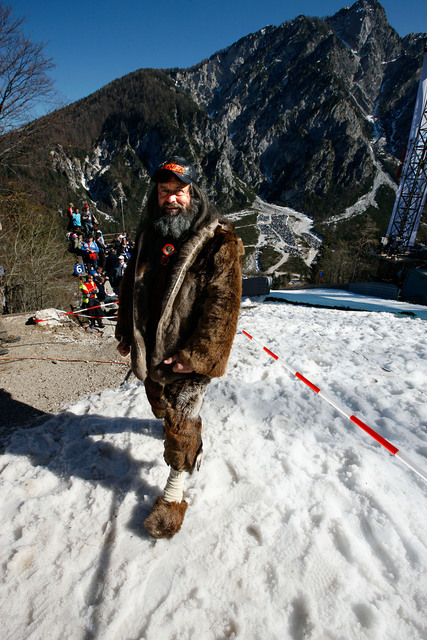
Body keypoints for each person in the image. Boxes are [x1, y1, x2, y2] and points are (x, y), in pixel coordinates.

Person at [115, 156, 243, 538]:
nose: (171, 198)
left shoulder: (218, 241)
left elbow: (224, 305)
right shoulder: (148, 235)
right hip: (151, 349)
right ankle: (184, 439)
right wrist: (126, 332)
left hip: (188, 353)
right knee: (159, 407)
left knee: (180, 421)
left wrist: (197, 357)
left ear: (193, 193)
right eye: (164, 191)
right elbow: (130, 288)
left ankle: (173, 495)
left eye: (179, 191)